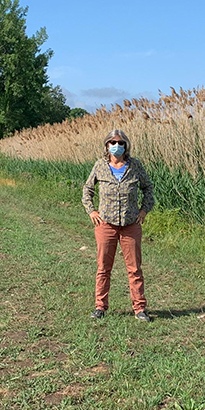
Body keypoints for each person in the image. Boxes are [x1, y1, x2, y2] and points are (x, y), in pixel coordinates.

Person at [82, 129, 155, 322]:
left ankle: (139, 308)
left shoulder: (135, 166)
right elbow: (87, 189)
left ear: (126, 146)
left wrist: (144, 210)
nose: (117, 146)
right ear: (106, 146)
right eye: (113, 142)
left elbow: (148, 188)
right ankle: (100, 306)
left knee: (134, 268)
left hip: (130, 224)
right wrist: (91, 210)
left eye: (121, 142)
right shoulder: (100, 166)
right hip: (106, 224)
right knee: (103, 267)